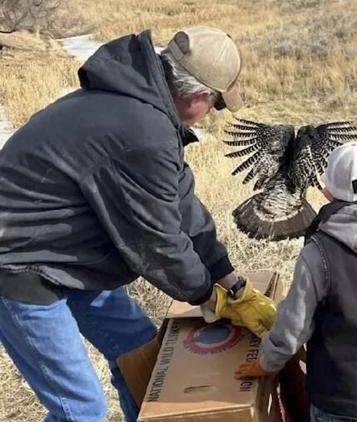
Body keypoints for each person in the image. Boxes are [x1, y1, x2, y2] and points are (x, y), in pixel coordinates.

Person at [0, 26, 276, 422]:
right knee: (80, 409)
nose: (210, 115)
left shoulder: (143, 108)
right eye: (216, 104)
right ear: (199, 96)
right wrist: (206, 295)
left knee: (139, 351)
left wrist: (231, 283)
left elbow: (184, 207)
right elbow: (157, 242)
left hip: (63, 254)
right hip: (18, 264)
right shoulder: (142, 131)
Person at [235, 141, 357, 422]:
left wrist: (266, 363)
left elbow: (293, 327)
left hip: (336, 401)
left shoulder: (318, 253)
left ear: (326, 193)